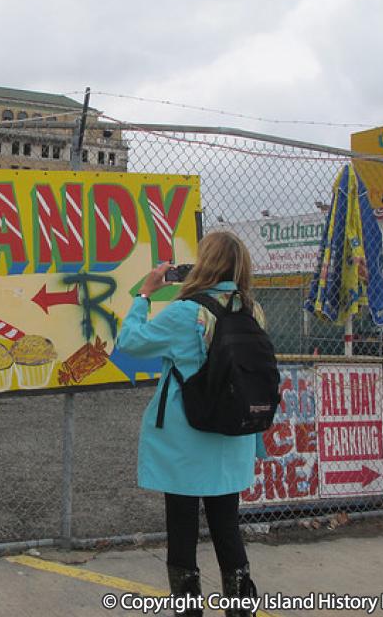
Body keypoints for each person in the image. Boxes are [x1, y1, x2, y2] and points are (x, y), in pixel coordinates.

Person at [116, 231, 266, 617]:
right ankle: (240, 606)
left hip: (187, 438)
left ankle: (189, 608)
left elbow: (131, 343)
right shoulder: (252, 310)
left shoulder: (187, 313)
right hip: (233, 436)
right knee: (226, 526)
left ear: (205, 265)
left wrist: (145, 294)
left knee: (182, 529)